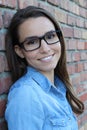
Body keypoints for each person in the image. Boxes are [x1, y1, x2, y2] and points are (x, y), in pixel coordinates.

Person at [5, 5, 84, 130]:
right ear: (20, 51)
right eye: (32, 42)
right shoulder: (26, 96)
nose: (45, 49)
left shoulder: (58, 86)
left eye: (50, 36)